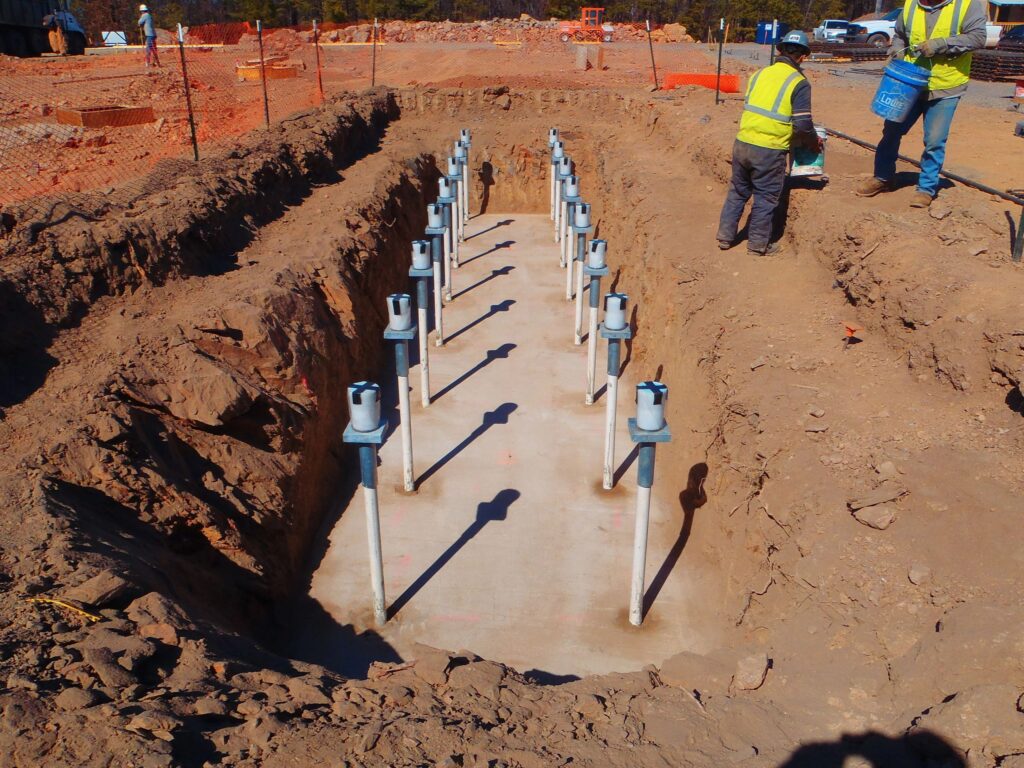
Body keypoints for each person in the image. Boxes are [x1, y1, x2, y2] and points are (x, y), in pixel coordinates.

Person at [856, 0, 986, 207]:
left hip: (945, 85)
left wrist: (940, 44)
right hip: (910, 82)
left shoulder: (966, 5)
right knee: (891, 130)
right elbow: (900, 35)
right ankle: (883, 176)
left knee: (934, 140)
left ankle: (926, 188)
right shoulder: (911, 5)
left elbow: (978, 37)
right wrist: (897, 51)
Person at [717, 30, 820, 256]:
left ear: (780, 50)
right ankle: (757, 245)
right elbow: (803, 125)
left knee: (737, 192)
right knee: (765, 198)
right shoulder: (799, 83)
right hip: (769, 149)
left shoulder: (759, 74)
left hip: (743, 142)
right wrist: (813, 142)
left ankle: (725, 237)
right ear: (803, 56)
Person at [138, 4, 161, 68]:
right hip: (153, 34)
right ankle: (156, 62)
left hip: (149, 35)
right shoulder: (149, 15)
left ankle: (148, 62)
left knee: (149, 49)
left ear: (142, 11)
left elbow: (139, 22)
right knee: (154, 49)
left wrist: (140, 22)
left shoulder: (145, 15)